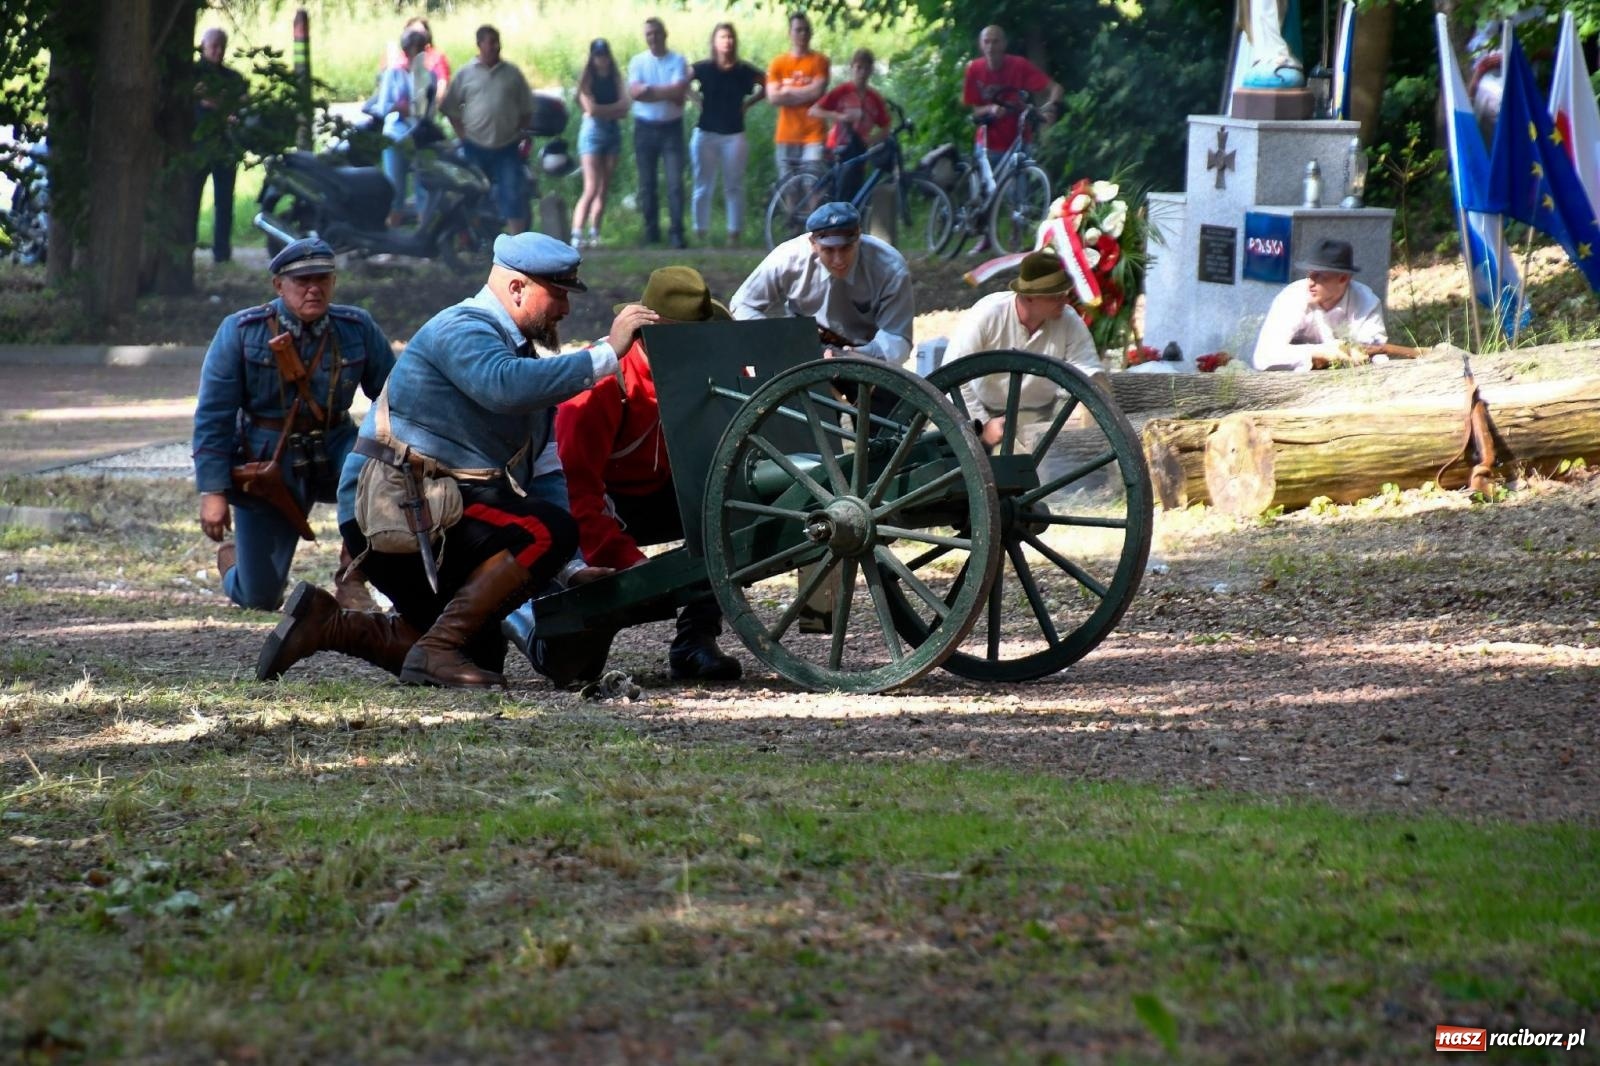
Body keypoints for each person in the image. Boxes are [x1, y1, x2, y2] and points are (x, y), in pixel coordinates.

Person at [256, 233, 663, 688]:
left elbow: (546, 470)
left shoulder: (525, 357)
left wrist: (570, 566)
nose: (564, 309)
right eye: (559, 293)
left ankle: (328, 624)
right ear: (516, 289)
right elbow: (504, 385)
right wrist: (609, 353)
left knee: (483, 657)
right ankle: (438, 648)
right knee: (546, 529)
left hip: (436, 514)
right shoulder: (461, 327)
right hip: (392, 512)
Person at [537, 267, 742, 681]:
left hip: (661, 490)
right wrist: (634, 568)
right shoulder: (601, 383)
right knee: (573, 664)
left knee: (727, 508)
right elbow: (574, 487)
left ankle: (695, 640)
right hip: (600, 506)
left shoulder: (694, 372)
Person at [193, 239, 395, 612]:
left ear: (333, 282)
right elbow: (213, 417)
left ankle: (352, 579)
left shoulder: (356, 328)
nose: (313, 288)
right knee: (261, 596)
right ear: (278, 286)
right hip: (267, 459)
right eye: (301, 280)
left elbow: (395, 396)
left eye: (322, 279)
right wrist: (213, 491)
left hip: (336, 446)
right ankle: (234, 559)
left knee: (380, 472)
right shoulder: (240, 331)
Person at [944, 249, 1103, 446]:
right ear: (1029, 297)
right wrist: (983, 424)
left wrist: (1085, 413)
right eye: (1055, 296)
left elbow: (1086, 370)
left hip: (1038, 414)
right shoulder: (987, 316)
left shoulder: (1068, 320)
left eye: (1065, 293)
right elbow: (953, 376)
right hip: (980, 408)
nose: (1065, 301)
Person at [730, 200, 913, 369]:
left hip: (867, 359)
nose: (838, 259)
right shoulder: (787, 259)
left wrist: (853, 356)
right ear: (813, 243)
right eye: (828, 250)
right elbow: (742, 304)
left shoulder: (890, 268)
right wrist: (779, 340)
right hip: (802, 355)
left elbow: (897, 338)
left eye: (845, 248)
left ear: (858, 236)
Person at [440, 25, 537, 235]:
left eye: (497, 41)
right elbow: (449, 108)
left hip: (507, 146)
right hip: (474, 146)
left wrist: (520, 132)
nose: (495, 46)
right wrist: (462, 134)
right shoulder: (465, 73)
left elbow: (527, 107)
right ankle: (476, 240)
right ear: (479, 45)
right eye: (490, 42)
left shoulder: (512, 73)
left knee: (512, 193)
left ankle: (517, 244)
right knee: (473, 195)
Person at [1250, 239, 1387, 372]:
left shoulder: (1366, 303)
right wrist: (1319, 352)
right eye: (1309, 274)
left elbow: (1376, 357)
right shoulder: (1292, 297)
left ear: (1343, 278)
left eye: (1320, 276)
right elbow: (1263, 357)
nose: (1310, 283)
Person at [688, 23, 765, 246]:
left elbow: (768, 84)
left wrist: (749, 103)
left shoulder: (744, 71)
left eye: (730, 37)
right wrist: (695, 100)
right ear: (714, 41)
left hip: (734, 134)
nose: (727, 41)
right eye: (722, 37)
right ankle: (700, 232)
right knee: (703, 184)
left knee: (734, 184)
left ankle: (734, 234)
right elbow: (681, 81)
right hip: (705, 133)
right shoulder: (703, 68)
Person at [628, 18, 691, 248]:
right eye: (648, 35)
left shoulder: (677, 60)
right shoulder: (638, 62)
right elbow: (635, 92)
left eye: (656, 33)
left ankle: (677, 232)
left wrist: (650, 91)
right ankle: (651, 230)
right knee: (647, 183)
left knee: (675, 182)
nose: (653, 38)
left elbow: (679, 93)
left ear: (665, 34)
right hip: (644, 127)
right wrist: (668, 92)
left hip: (671, 128)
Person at [371, 28, 440, 227]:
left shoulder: (429, 77)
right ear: (406, 50)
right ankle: (390, 238)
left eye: (421, 48)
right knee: (395, 191)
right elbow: (382, 107)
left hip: (420, 138)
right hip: (395, 137)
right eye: (414, 48)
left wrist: (415, 110)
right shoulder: (393, 74)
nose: (417, 52)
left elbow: (430, 110)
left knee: (424, 189)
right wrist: (399, 108)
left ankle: (422, 235)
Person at [192, 28, 248, 264]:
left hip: (225, 147)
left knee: (224, 202)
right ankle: (188, 249)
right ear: (203, 46)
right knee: (191, 199)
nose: (217, 51)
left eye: (221, 46)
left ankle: (222, 253)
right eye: (213, 46)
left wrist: (211, 101)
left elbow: (243, 100)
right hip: (197, 148)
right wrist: (223, 104)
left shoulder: (233, 78)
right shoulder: (191, 74)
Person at [809, 47, 890, 205]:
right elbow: (814, 110)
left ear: (871, 70)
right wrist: (839, 116)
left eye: (866, 68)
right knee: (833, 192)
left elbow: (886, 127)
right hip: (838, 148)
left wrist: (871, 140)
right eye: (859, 67)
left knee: (854, 195)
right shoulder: (842, 91)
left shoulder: (874, 98)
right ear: (852, 68)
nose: (862, 72)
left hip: (860, 151)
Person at [572, 39, 629, 249]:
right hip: (593, 131)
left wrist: (604, 109)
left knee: (604, 186)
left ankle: (594, 230)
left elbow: (625, 106)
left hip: (612, 131)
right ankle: (577, 232)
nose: (601, 59)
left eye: (604, 55)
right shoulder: (587, 78)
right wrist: (612, 109)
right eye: (597, 55)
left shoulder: (615, 77)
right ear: (592, 57)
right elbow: (591, 109)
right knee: (591, 186)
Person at [766, 12, 830, 182]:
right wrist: (806, 93)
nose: (803, 34)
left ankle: (813, 211)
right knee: (789, 186)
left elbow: (817, 92)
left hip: (814, 134)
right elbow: (773, 98)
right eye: (798, 30)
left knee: (814, 185)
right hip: (786, 134)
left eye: (806, 30)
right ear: (790, 33)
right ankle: (791, 211)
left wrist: (787, 91)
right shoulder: (778, 63)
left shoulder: (820, 61)